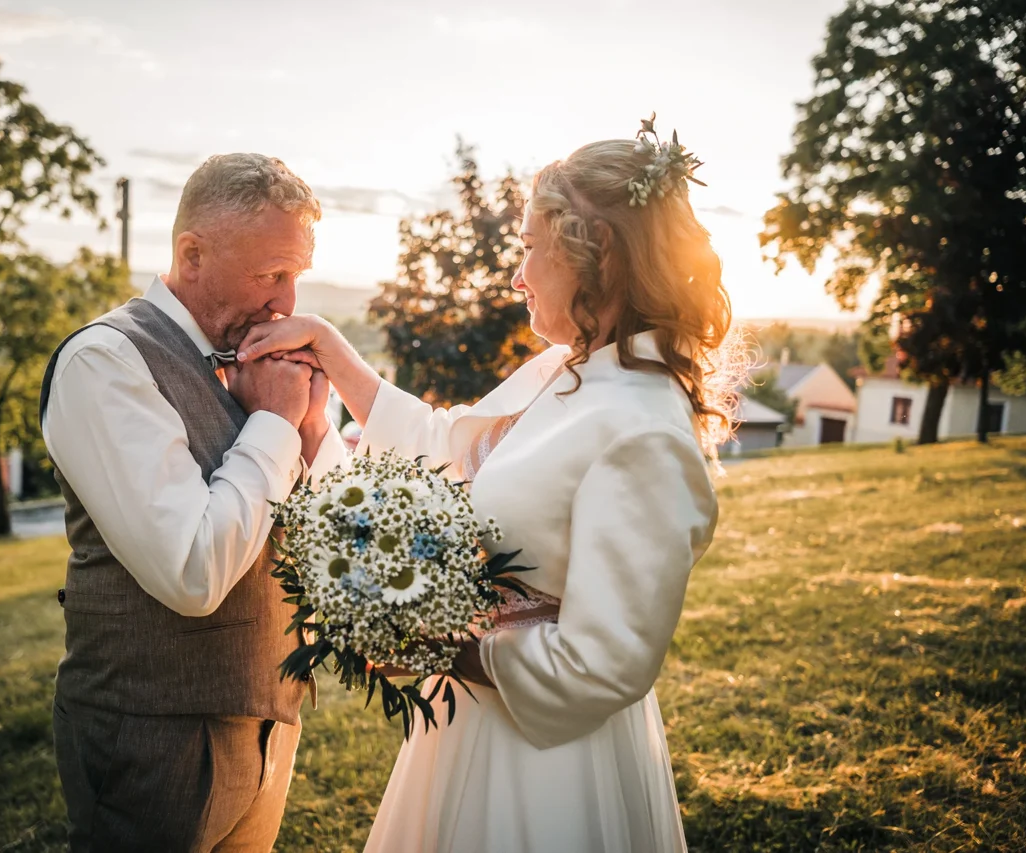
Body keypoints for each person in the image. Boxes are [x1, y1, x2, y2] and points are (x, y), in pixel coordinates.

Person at [235, 127, 736, 852]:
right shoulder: (567, 368)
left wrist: (441, 646)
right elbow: (452, 447)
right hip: (476, 733)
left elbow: (602, 665)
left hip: (549, 769)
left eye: (530, 247)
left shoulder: (643, 427)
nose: (518, 274)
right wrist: (329, 354)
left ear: (595, 250)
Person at [39, 153, 345, 852]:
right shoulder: (106, 361)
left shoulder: (258, 362)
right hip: (153, 739)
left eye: (296, 274)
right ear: (192, 253)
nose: (288, 301)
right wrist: (269, 425)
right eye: (272, 273)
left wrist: (310, 427)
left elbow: (333, 535)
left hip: (269, 728)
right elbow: (191, 571)